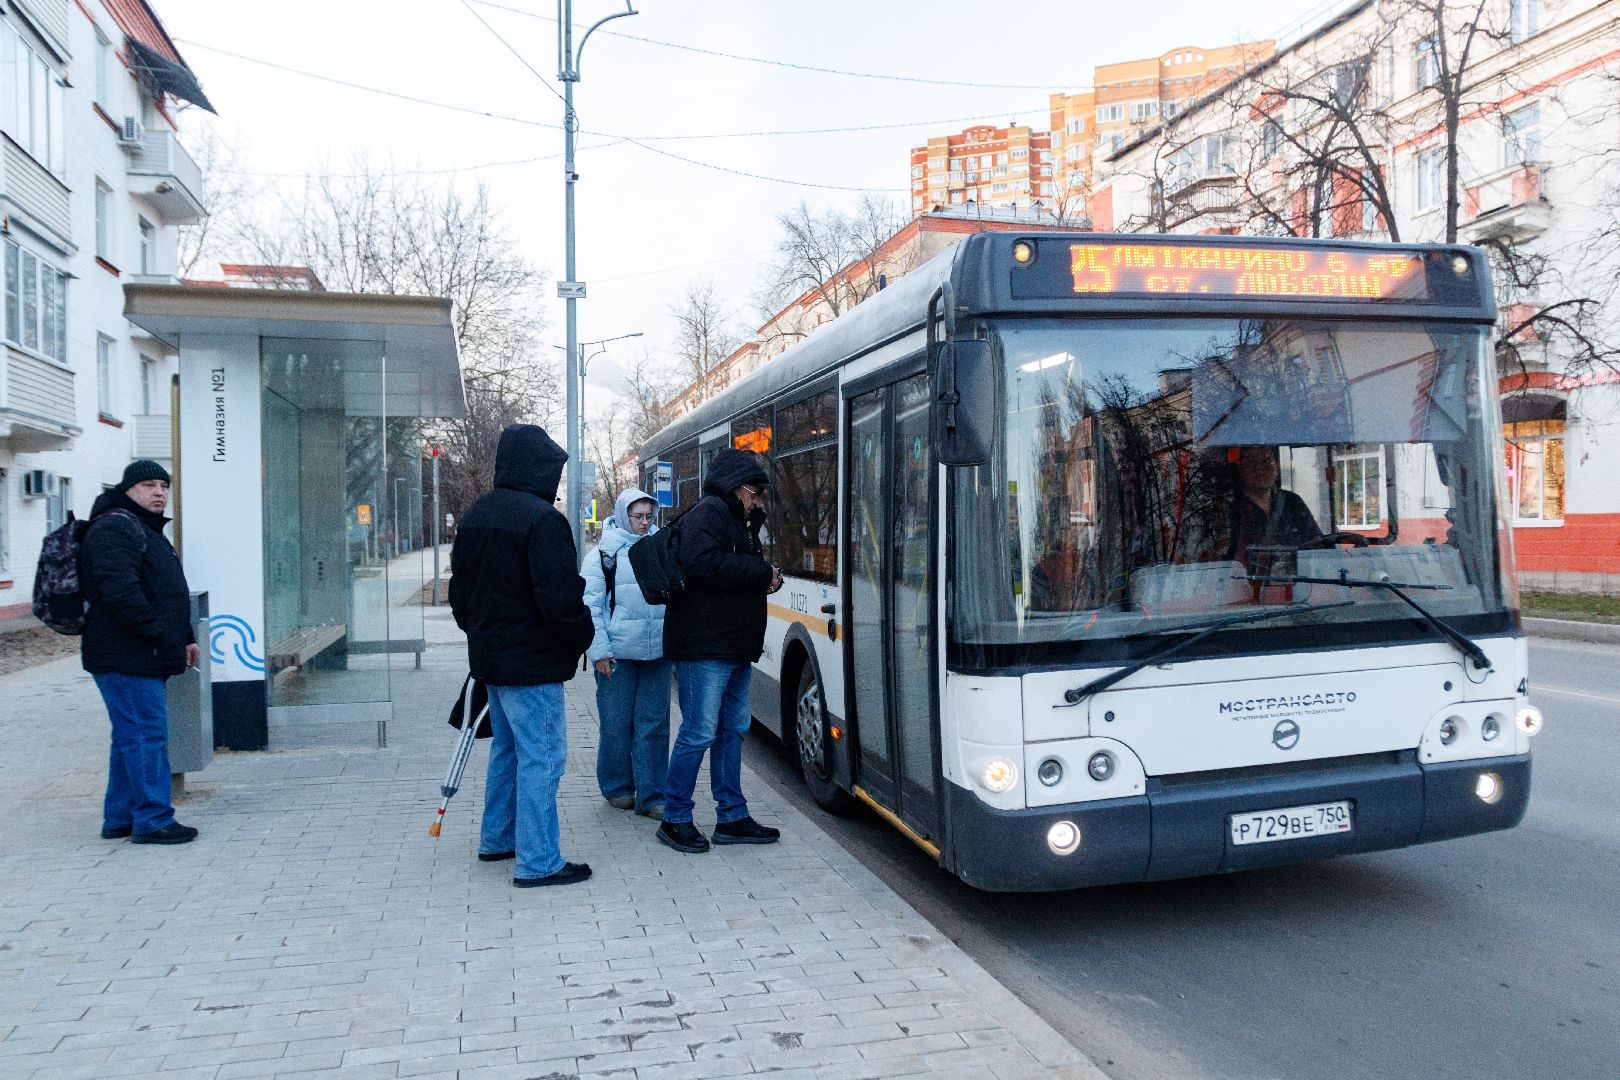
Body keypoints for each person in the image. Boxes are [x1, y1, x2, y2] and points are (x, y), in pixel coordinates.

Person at [449, 424, 595, 888]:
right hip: (532, 665)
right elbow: (560, 599)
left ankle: (498, 838)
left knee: (508, 752)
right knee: (543, 757)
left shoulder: (476, 515)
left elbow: (459, 596)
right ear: (541, 469)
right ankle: (538, 860)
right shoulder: (542, 520)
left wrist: (483, 635)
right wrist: (582, 637)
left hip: (492, 662)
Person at [655, 448, 784, 854]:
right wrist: (762, 573)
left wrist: (760, 577)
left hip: (731, 646)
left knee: (731, 732)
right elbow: (702, 563)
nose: (758, 499)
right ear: (735, 487)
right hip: (704, 648)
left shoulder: (737, 519)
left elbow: (724, 569)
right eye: (754, 491)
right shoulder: (710, 511)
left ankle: (732, 817)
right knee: (699, 732)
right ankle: (675, 818)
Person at [79, 460, 201, 845]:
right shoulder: (115, 527)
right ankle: (152, 819)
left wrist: (185, 635)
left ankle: (119, 817)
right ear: (128, 489)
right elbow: (122, 594)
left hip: (140, 650)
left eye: (163, 486)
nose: (159, 492)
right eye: (148, 484)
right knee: (147, 734)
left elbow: (166, 590)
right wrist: (162, 634)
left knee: (130, 735)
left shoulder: (143, 528)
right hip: (125, 653)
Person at [581, 487, 671, 820]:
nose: (645, 523)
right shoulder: (603, 554)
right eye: (638, 517)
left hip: (657, 653)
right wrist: (599, 652)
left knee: (654, 725)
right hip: (616, 656)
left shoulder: (663, 548)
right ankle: (618, 787)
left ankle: (653, 794)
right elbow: (590, 607)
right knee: (616, 724)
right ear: (623, 515)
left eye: (650, 516)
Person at [1226, 445, 1323, 580]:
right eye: (1252, 463)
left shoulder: (1293, 502)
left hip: (1295, 589)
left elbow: (1318, 545)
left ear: (1276, 467)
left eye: (1266, 461)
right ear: (1240, 470)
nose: (1260, 468)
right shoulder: (1230, 510)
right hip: (1247, 592)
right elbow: (1225, 561)